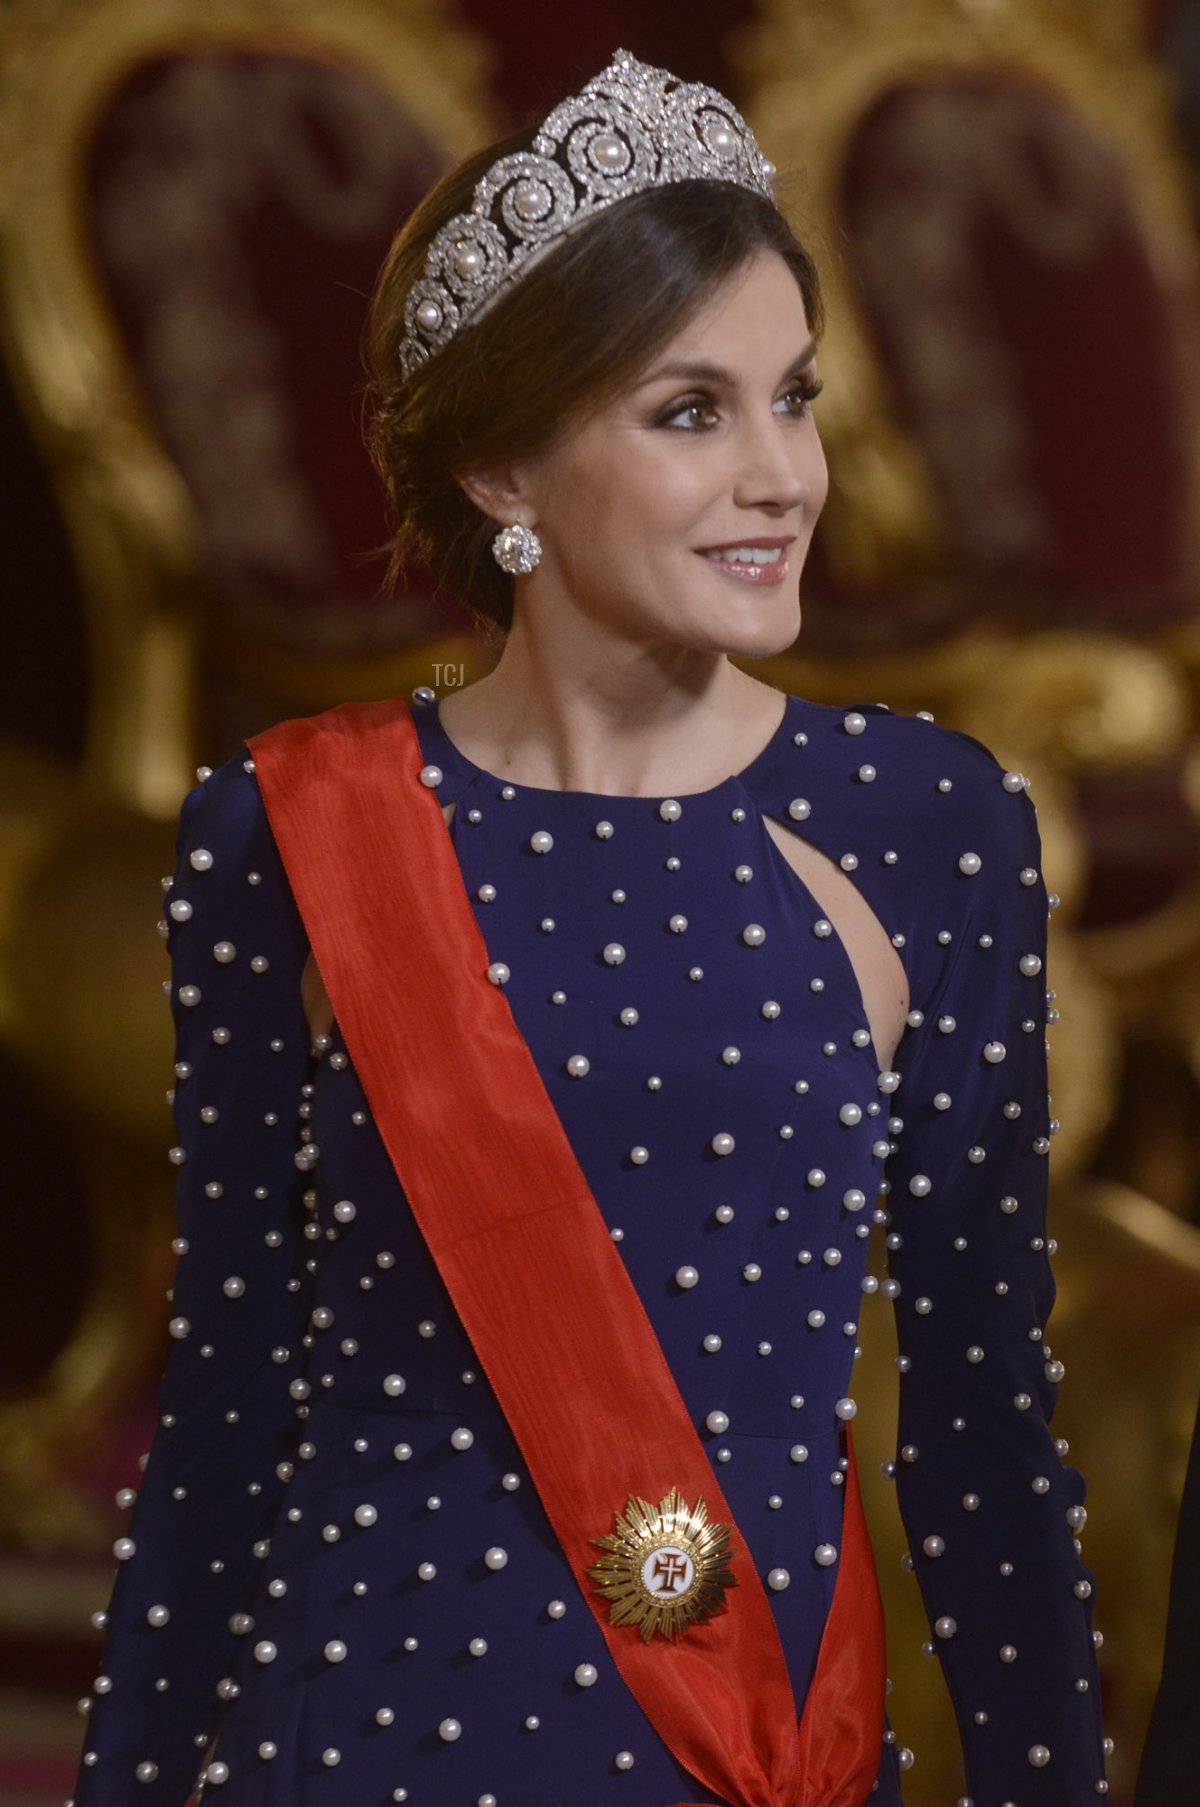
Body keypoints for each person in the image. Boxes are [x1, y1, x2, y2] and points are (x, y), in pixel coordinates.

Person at [72, 48, 1109, 1807]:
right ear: (503, 473)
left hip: (751, 1744)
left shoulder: (928, 826)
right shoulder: (289, 833)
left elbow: (986, 1424)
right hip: (361, 1736)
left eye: (797, 396)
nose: (784, 472)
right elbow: (228, 1414)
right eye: (691, 411)